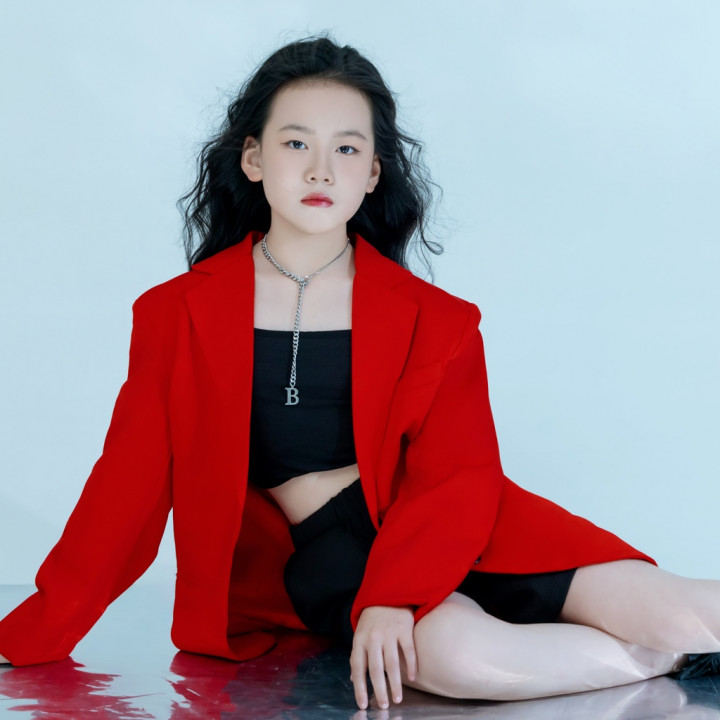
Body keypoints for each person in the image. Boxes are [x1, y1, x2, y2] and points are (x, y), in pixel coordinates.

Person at [0, 34, 718, 712]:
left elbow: (459, 475)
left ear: (373, 172)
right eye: (296, 144)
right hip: (330, 552)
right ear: (253, 158)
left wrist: (395, 592)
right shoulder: (176, 313)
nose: (321, 170)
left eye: (347, 148)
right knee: (460, 662)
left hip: (462, 524)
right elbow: (124, 492)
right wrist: (32, 633)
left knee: (681, 607)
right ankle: (664, 661)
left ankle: (673, 641)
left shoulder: (437, 317)